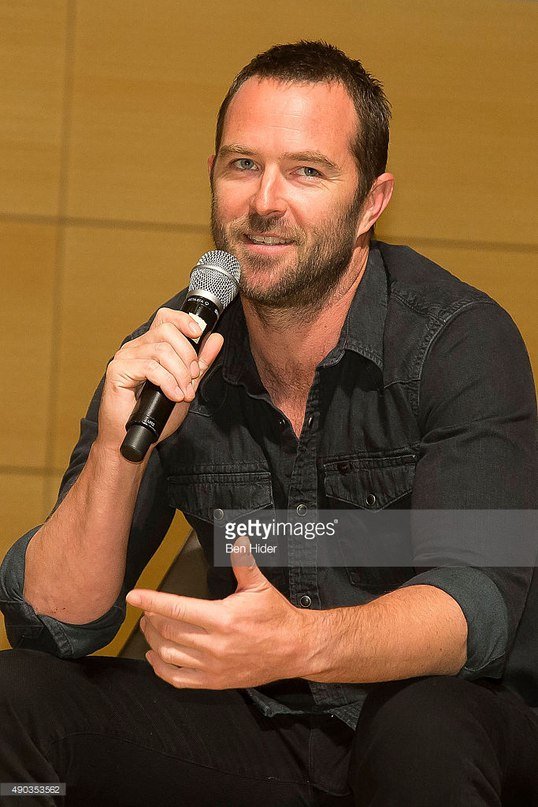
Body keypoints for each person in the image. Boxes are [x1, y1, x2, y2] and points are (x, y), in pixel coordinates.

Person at [0, 40, 537, 807]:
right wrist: (118, 456)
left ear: (372, 202)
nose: (264, 200)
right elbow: (55, 625)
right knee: (16, 698)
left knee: (420, 725)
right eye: (242, 164)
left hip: (455, 722)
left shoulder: (456, 341)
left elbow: (474, 606)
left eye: (306, 171)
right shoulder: (173, 352)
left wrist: (300, 641)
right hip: (266, 729)